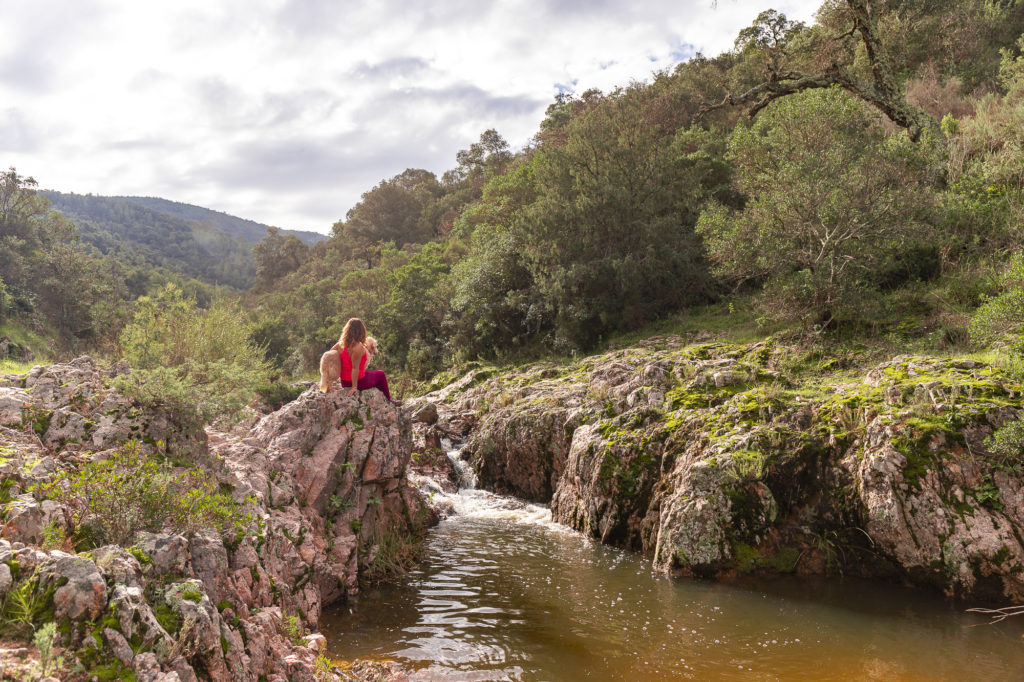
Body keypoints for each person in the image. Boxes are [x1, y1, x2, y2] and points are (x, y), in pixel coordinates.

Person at [318, 318, 397, 403]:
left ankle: (382, 399)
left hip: (344, 382)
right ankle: (389, 400)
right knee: (381, 374)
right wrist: (354, 387)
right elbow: (355, 369)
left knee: (372, 375)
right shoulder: (358, 347)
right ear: (361, 331)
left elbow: (331, 354)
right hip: (358, 381)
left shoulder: (340, 344)